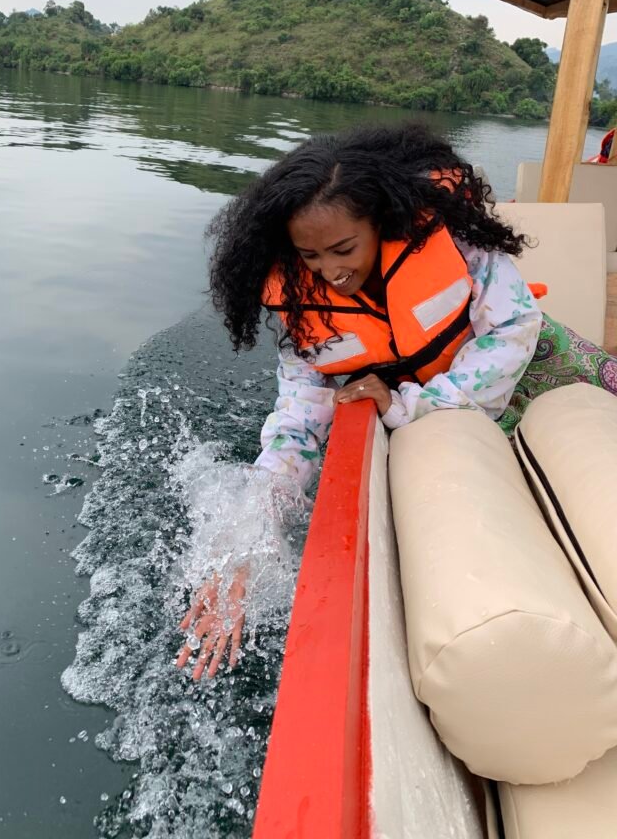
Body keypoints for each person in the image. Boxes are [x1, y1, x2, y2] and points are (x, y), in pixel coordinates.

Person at [176, 123, 617, 680]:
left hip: (534, 368)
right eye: (309, 256)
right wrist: (247, 542)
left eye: (343, 249)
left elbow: (513, 327)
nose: (331, 273)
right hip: (443, 416)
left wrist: (415, 405)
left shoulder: (455, 242)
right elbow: (296, 428)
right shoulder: (302, 307)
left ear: (380, 223)